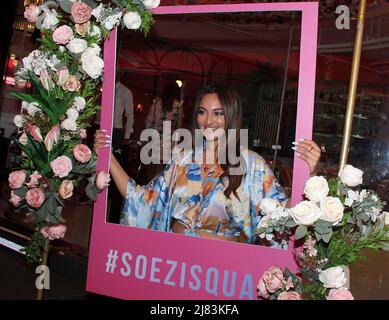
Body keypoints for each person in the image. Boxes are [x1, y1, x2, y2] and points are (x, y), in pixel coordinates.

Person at [94, 84, 320, 243]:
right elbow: (142, 200)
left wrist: (308, 175)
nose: (208, 120)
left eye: (218, 113)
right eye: (202, 112)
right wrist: (108, 157)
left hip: (219, 271)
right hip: (172, 261)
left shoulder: (252, 165)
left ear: (231, 115)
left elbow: (286, 216)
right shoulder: (183, 158)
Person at [93, 71, 134, 222]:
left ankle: (113, 217)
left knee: (115, 169)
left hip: (116, 132)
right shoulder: (102, 87)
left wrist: (126, 137)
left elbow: (130, 115)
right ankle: (95, 200)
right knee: (95, 166)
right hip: (98, 126)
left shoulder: (126, 92)